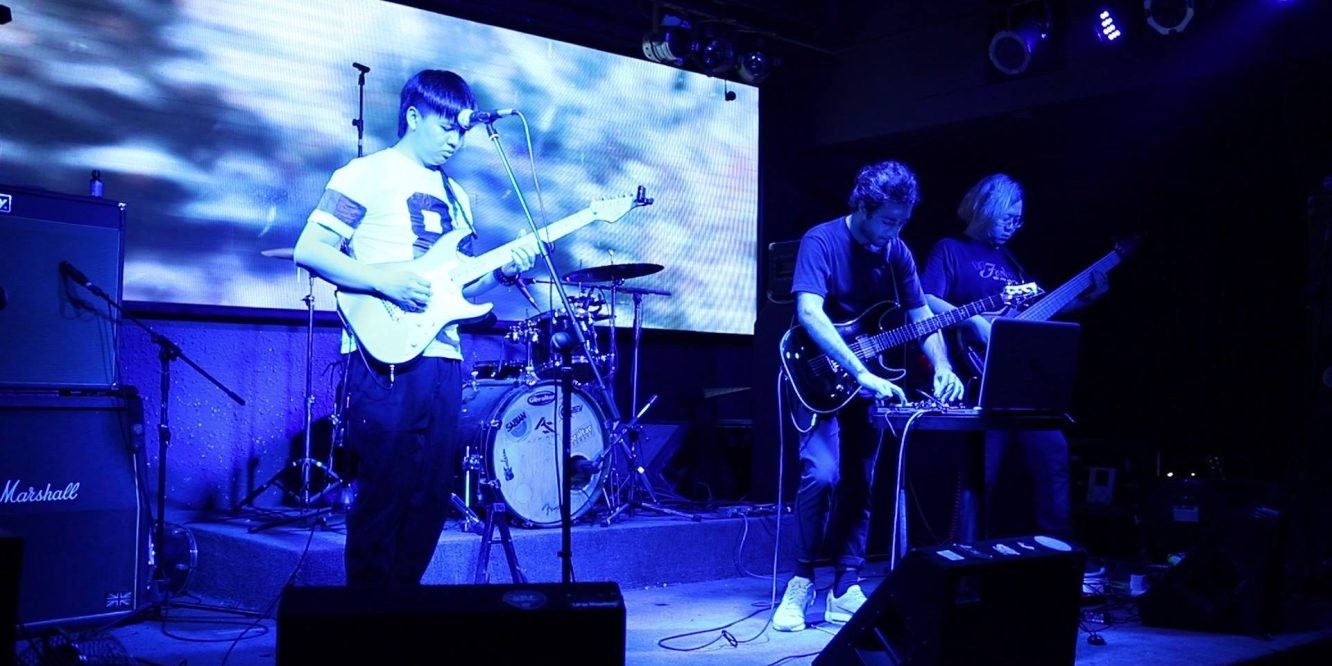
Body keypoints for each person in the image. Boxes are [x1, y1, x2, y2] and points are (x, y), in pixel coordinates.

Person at [294, 69, 535, 586]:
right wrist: (384, 281)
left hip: (444, 358)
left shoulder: (458, 195)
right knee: (384, 493)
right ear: (413, 116)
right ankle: (366, 614)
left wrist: (502, 272)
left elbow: (459, 286)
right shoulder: (365, 173)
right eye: (446, 127)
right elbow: (310, 249)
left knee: (428, 498)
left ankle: (402, 607)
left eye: (461, 131)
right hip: (384, 358)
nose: (455, 141)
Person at [774, 161, 964, 632]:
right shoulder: (821, 240)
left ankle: (845, 585)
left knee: (863, 479)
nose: (895, 231)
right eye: (888, 221)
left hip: (869, 380)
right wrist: (859, 371)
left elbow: (921, 316)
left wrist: (942, 366)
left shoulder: (897, 251)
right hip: (815, 373)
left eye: (902, 222)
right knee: (821, 475)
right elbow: (809, 313)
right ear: (862, 207)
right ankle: (802, 582)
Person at [919, 173, 1105, 541]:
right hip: (980, 379)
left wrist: (1088, 297)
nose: (1014, 227)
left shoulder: (1011, 261)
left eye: (1019, 221)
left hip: (1022, 383)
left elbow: (1038, 312)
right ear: (987, 208)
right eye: (1009, 217)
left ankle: (1058, 551)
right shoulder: (950, 249)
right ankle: (964, 556)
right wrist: (972, 320)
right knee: (979, 475)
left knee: (1054, 460)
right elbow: (925, 298)